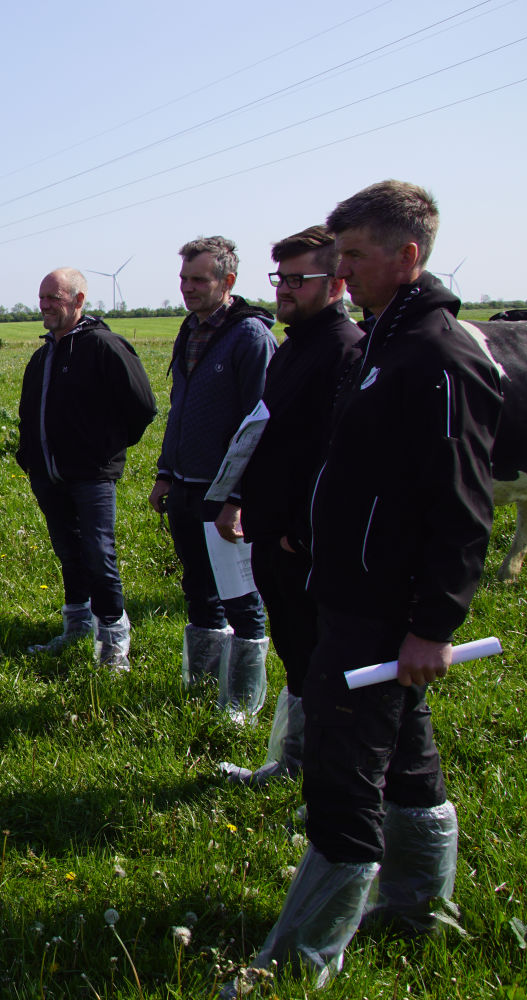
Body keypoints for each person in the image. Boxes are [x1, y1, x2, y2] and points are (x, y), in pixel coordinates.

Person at [246, 181, 502, 986]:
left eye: (354, 255)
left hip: (384, 607)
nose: (343, 271)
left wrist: (434, 625)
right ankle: (420, 906)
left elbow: (463, 506)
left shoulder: (438, 356)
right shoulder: (385, 343)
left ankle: (300, 961)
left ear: (407, 255)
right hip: (352, 591)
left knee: (340, 775)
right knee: (409, 760)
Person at [216, 226, 363, 786]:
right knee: (297, 656)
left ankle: (330, 784)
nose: (284, 289)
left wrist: (299, 533)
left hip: (306, 544)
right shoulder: (294, 347)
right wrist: (239, 499)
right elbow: (265, 436)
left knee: (322, 662)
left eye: (300, 279)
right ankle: (297, 766)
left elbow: (338, 458)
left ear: (337, 283)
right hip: (271, 532)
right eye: (281, 277)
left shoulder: (345, 350)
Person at [147, 237, 276, 719]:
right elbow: (179, 409)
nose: (188, 287)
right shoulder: (190, 329)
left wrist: (238, 499)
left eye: (199, 279)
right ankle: (202, 688)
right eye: (184, 278)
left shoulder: (250, 338)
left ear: (228, 281)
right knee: (198, 589)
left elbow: (260, 424)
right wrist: (165, 473)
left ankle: (241, 703)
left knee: (240, 598)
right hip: (185, 486)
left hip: (224, 495)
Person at [16, 268, 155, 668]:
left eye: (54, 298)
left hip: (92, 474)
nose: (45, 305)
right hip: (48, 474)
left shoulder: (104, 346)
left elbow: (142, 406)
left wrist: (104, 450)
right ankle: (76, 627)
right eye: (42, 298)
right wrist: (30, 458)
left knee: (98, 552)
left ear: (78, 301)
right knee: (68, 552)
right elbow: (29, 412)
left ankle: (113, 643)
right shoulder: (42, 356)